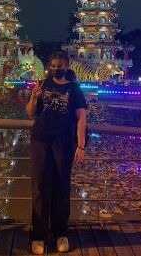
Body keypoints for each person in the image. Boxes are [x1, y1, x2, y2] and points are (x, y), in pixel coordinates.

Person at [26, 51, 87, 254]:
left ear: (66, 66)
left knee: (61, 187)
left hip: (63, 142)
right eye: (52, 65)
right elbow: (31, 112)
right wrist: (34, 97)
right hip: (40, 138)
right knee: (40, 186)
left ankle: (61, 233)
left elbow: (81, 118)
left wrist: (81, 145)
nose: (56, 68)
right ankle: (39, 235)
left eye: (59, 65)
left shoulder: (74, 89)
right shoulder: (43, 85)